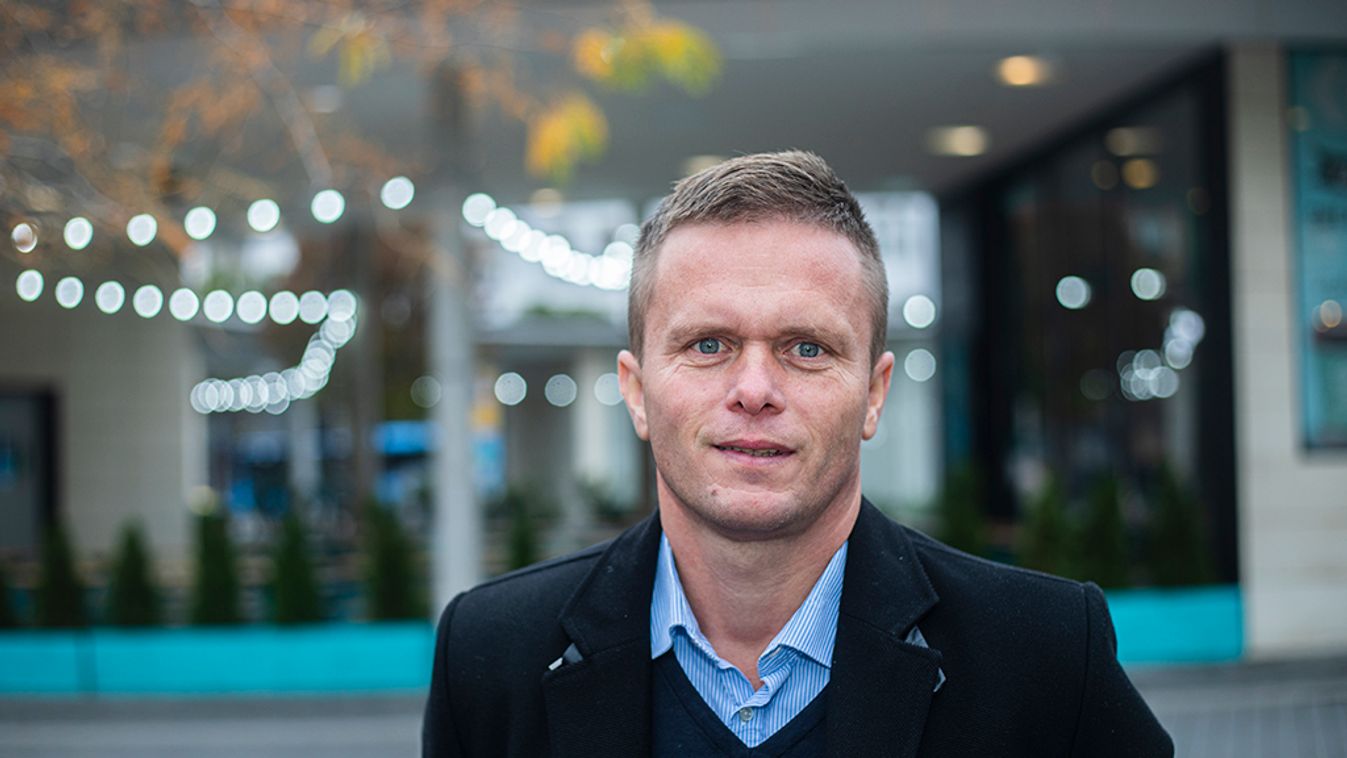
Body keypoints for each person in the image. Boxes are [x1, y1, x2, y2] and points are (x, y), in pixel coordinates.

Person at [422, 151, 1173, 757]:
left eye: (806, 348)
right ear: (637, 390)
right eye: (707, 344)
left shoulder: (1043, 654)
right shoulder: (491, 656)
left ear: (873, 393)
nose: (754, 390)